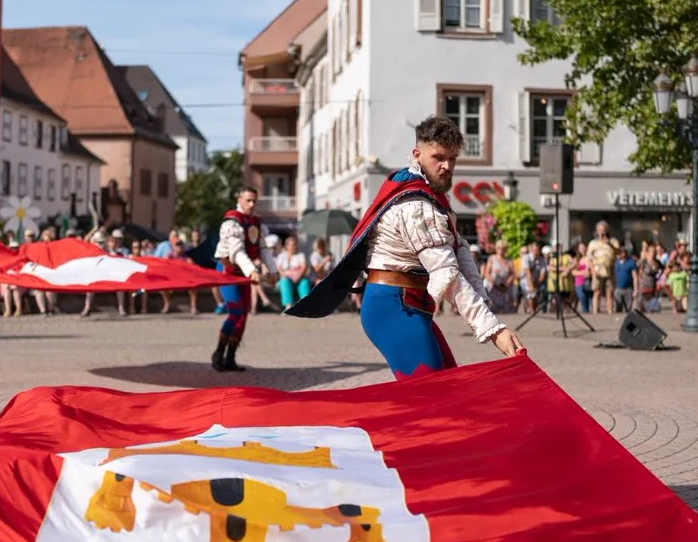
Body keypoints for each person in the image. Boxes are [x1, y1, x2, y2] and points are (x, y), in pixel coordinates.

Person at [286, 115, 523, 378]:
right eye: (439, 157)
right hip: (392, 305)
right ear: (417, 154)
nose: (446, 166)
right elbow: (446, 272)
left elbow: (459, 251)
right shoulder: (416, 204)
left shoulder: (429, 196)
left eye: (452, 158)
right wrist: (493, 329)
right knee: (431, 397)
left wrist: (485, 309)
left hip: (406, 302)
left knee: (445, 388)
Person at [211, 186, 276, 372]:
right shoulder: (231, 222)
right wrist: (251, 271)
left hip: (244, 273)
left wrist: (273, 270)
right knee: (235, 311)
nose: (251, 204)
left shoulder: (256, 222)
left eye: (254, 200)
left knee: (243, 315)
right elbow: (237, 251)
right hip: (228, 271)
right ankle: (218, 353)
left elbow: (263, 249)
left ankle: (230, 357)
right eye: (248, 200)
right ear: (239, 200)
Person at [275, 236, 312, 307]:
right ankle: (288, 306)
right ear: (287, 246)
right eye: (292, 245)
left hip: (299, 278)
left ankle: (306, 306)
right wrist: (284, 274)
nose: (295, 247)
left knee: (305, 282)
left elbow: (304, 267)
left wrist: (298, 277)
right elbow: (279, 269)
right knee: (284, 281)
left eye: (295, 245)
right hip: (286, 278)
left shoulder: (300, 255)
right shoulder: (281, 256)